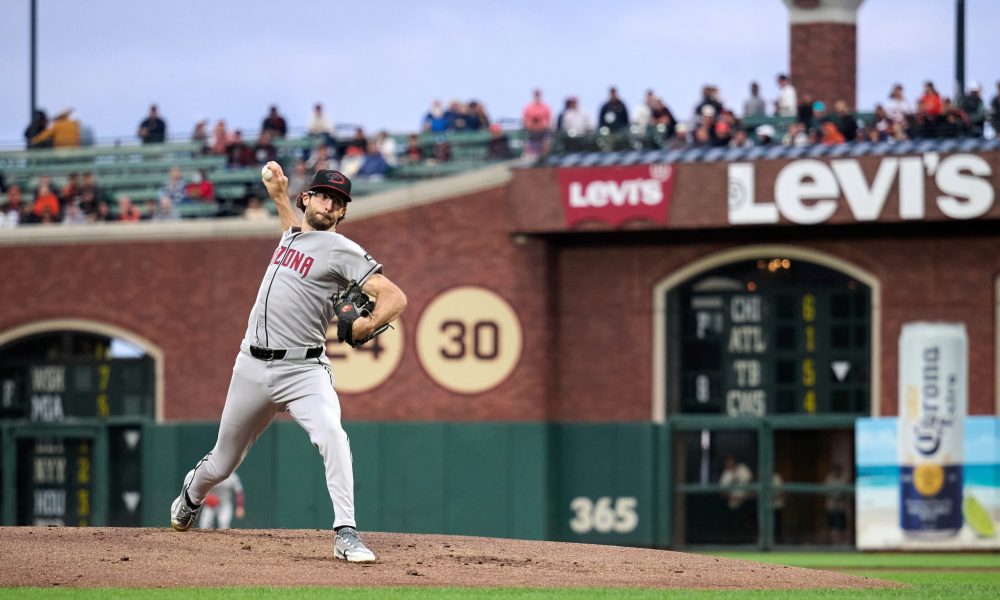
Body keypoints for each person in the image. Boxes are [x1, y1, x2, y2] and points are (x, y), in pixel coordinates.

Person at [169, 162, 407, 564]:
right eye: (323, 195)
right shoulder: (293, 235)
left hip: (304, 370)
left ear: (343, 212)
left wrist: (366, 325)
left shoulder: (341, 249)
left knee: (332, 432)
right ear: (307, 199)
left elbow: (394, 297)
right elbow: (292, 226)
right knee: (222, 463)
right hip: (251, 366)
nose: (330, 204)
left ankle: (345, 532)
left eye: (338, 201)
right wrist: (278, 194)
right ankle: (192, 494)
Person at [824, 463, 850, 545]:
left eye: (838, 470)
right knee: (833, 527)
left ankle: (843, 543)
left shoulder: (843, 479)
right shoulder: (829, 479)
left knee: (842, 527)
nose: (837, 472)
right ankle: (835, 544)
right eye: (835, 470)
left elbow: (845, 492)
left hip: (841, 507)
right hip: (831, 507)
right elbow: (827, 491)